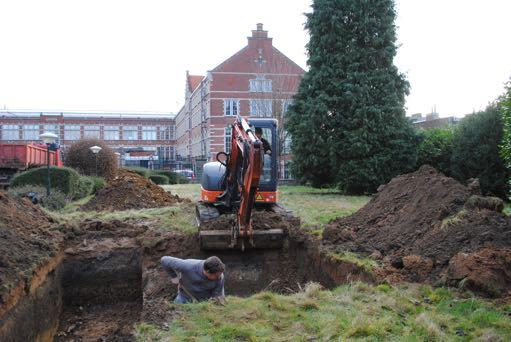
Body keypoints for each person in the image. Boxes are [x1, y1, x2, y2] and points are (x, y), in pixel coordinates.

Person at [161, 255, 225, 304]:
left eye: (220, 274)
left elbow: (218, 296)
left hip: (204, 303)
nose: (219, 277)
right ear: (207, 271)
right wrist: (174, 277)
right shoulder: (188, 266)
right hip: (184, 298)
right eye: (216, 276)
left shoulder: (219, 276)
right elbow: (165, 260)